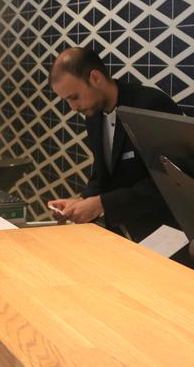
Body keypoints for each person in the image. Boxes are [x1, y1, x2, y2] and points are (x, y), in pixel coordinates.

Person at [48, 47, 183, 242]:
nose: (73, 108)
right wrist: (81, 202)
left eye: (74, 97)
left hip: (167, 232)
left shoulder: (149, 106)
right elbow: (102, 173)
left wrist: (102, 204)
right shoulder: (94, 114)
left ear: (95, 78)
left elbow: (168, 181)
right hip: (125, 231)